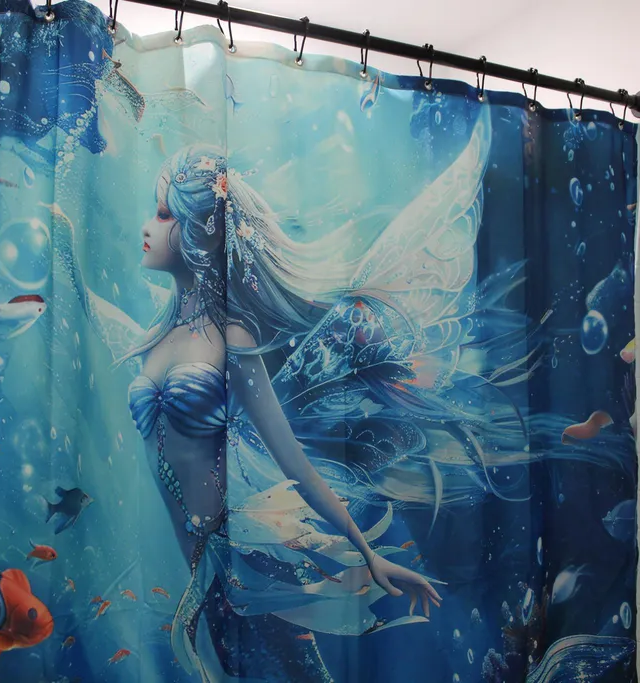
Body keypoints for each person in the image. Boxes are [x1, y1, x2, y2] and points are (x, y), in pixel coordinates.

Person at [52, 108, 527, 681]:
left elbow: (293, 462)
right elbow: (113, 333)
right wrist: (68, 261)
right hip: (202, 572)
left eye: (163, 213)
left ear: (201, 233)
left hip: (251, 562)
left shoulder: (232, 337)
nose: (148, 226)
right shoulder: (159, 336)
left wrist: (367, 553)